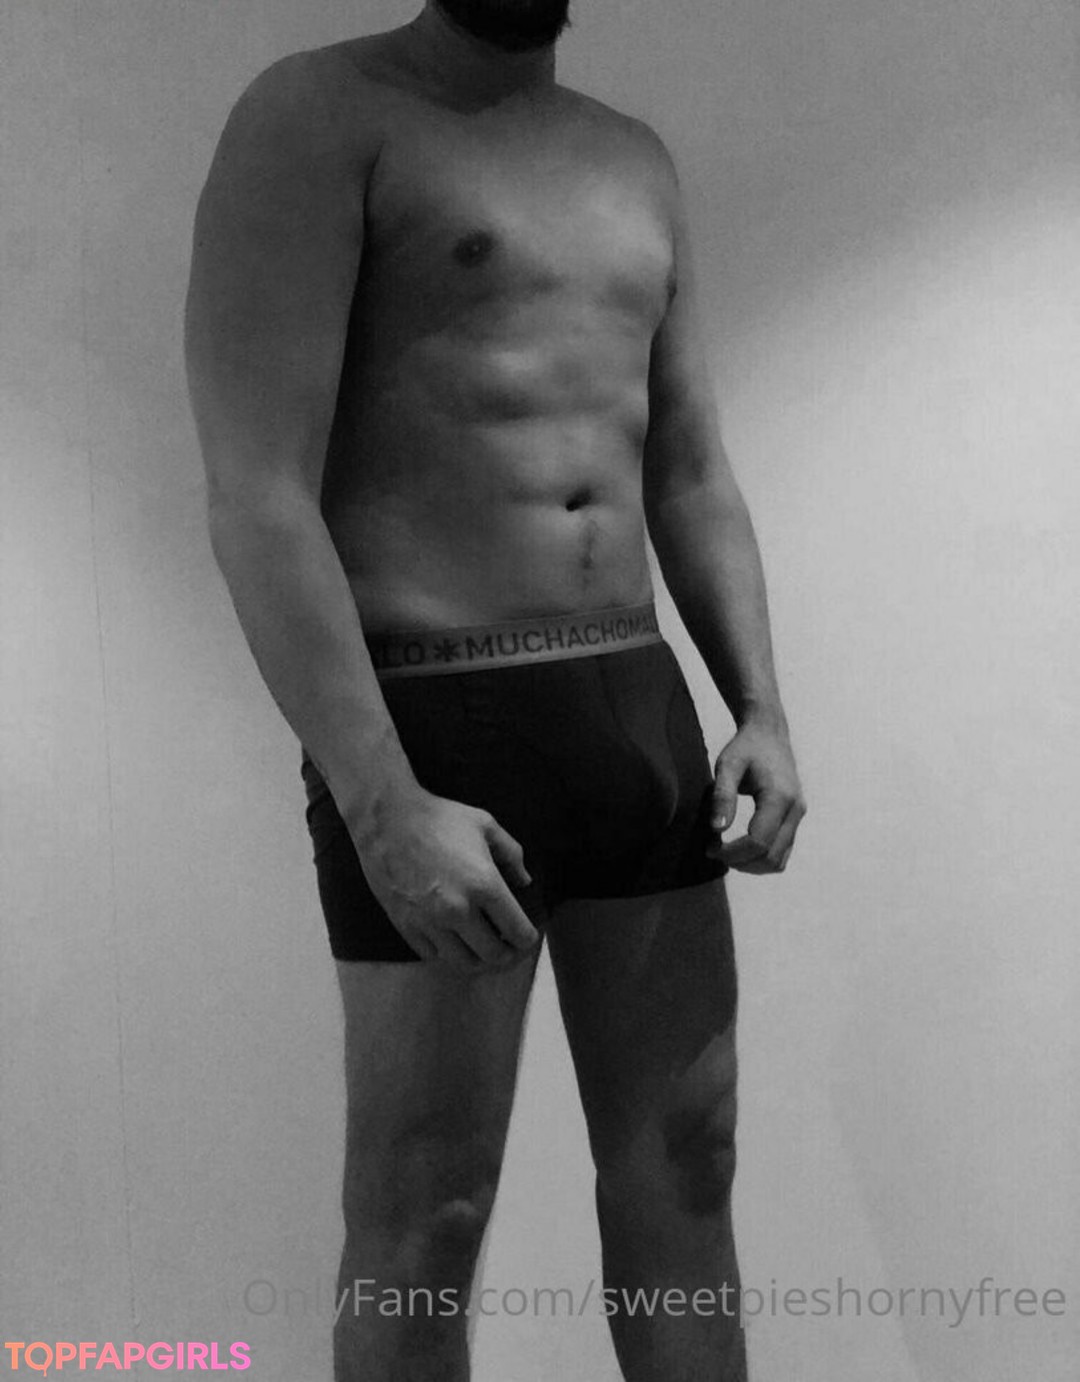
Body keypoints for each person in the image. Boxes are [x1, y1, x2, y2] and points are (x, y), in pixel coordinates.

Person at [183, 2, 805, 1378]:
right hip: (435, 727)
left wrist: (758, 707)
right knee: (427, 1212)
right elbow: (258, 495)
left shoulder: (632, 157)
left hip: (636, 710)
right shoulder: (322, 114)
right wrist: (381, 800)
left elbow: (689, 470)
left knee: (689, 1162)